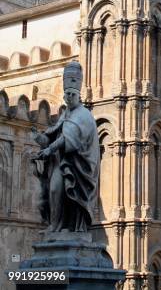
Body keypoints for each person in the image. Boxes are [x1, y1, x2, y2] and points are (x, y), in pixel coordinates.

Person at [32, 61, 100, 232]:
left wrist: (49, 150)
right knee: (54, 191)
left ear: (79, 96)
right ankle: (55, 226)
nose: (69, 97)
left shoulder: (83, 115)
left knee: (66, 195)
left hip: (80, 169)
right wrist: (41, 138)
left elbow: (68, 138)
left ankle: (64, 227)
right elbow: (56, 134)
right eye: (66, 95)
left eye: (72, 94)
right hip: (64, 163)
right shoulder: (66, 114)